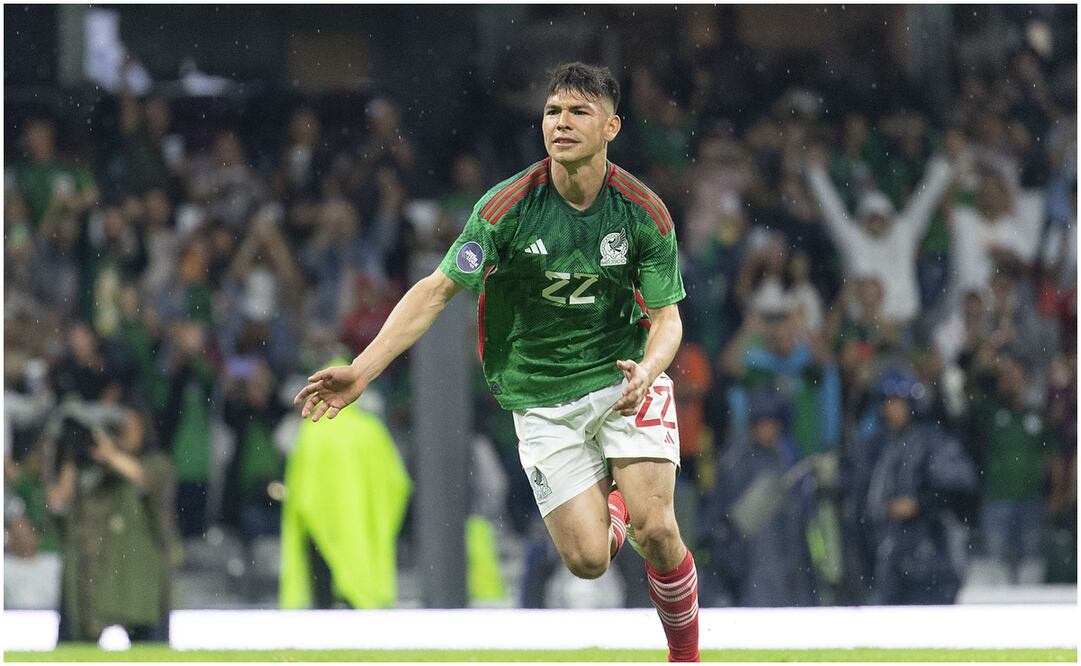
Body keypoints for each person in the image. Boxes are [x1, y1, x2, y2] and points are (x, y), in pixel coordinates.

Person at [294, 62, 700, 661]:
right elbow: (436, 290)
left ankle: (686, 658)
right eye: (553, 111)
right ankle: (620, 503)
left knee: (659, 529)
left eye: (579, 112)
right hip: (540, 395)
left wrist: (650, 368)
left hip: (624, 378)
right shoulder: (507, 208)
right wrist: (363, 368)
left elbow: (667, 317)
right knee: (588, 560)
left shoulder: (643, 212)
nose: (561, 123)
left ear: (611, 127)